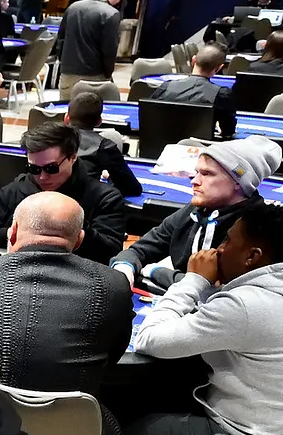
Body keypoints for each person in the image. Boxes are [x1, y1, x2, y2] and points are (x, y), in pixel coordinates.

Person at [118, 203, 283, 435]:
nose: (218, 250)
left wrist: (194, 281)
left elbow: (149, 340)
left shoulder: (248, 305)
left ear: (253, 256)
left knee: (110, 431)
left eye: (228, 241)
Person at [0, 191, 133, 399]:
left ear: (12, 231)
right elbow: (112, 356)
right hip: (75, 418)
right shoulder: (114, 285)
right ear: (79, 240)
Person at [111, 136, 280, 288]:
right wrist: (124, 266)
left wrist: (155, 271)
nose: (195, 181)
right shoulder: (196, 211)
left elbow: (213, 288)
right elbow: (142, 248)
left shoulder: (254, 228)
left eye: (207, 174)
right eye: (197, 172)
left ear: (239, 182)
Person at [0, 120, 126, 264]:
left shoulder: (105, 198)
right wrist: (21, 234)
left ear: (72, 157)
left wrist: (72, 227)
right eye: (34, 169)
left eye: (51, 168)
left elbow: (110, 252)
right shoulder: (13, 191)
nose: (42, 177)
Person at [56, 0, 128, 100]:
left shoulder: (74, 7)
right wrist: (108, 74)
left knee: (66, 109)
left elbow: (61, 39)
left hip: (67, 74)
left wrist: (65, 64)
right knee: (91, 112)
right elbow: (109, 50)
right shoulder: (111, 14)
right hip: (94, 77)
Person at [146, 45, 238, 140]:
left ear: (193, 60)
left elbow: (149, 117)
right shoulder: (221, 94)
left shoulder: (166, 87)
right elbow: (228, 132)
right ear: (218, 68)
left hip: (161, 147)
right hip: (201, 148)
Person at [67, 90, 141, 198]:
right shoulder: (105, 147)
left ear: (66, 117)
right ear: (99, 122)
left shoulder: (49, 138)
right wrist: (108, 181)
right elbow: (131, 188)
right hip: (85, 204)